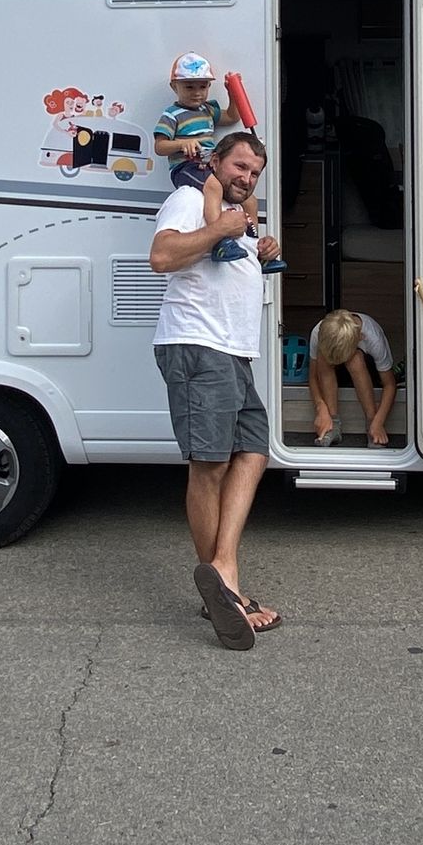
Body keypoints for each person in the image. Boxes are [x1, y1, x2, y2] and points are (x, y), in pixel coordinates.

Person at [149, 131, 284, 651]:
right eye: (240, 166)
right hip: (197, 346)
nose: (246, 178)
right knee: (209, 465)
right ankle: (223, 595)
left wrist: (258, 246)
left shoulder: (239, 217)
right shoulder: (188, 198)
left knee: (253, 451)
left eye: (254, 173)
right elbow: (161, 257)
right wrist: (222, 228)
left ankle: (223, 567)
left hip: (233, 352)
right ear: (218, 162)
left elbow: (230, 269)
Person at [153, 52, 285, 272]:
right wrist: (181, 144)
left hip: (206, 166)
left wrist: (232, 92)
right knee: (213, 186)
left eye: (203, 87)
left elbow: (232, 117)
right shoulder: (172, 114)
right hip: (185, 167)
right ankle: (220, 242)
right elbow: (159, 146)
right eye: (189, 87)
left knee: (251, 201)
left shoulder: (207, 110)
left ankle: (255, 248)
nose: (197, 93)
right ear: (174, 87)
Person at [309, 309, 399, 447]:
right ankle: (333, 425)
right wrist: (321, 407)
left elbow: (390, 385)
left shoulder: (372, 338)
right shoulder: (320, 332)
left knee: (355, 359)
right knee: (322, 357)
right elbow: (313, 377)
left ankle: (371, 423)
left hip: (366, 372)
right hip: (333, 376)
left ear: (360, 338)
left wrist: (378, 421)